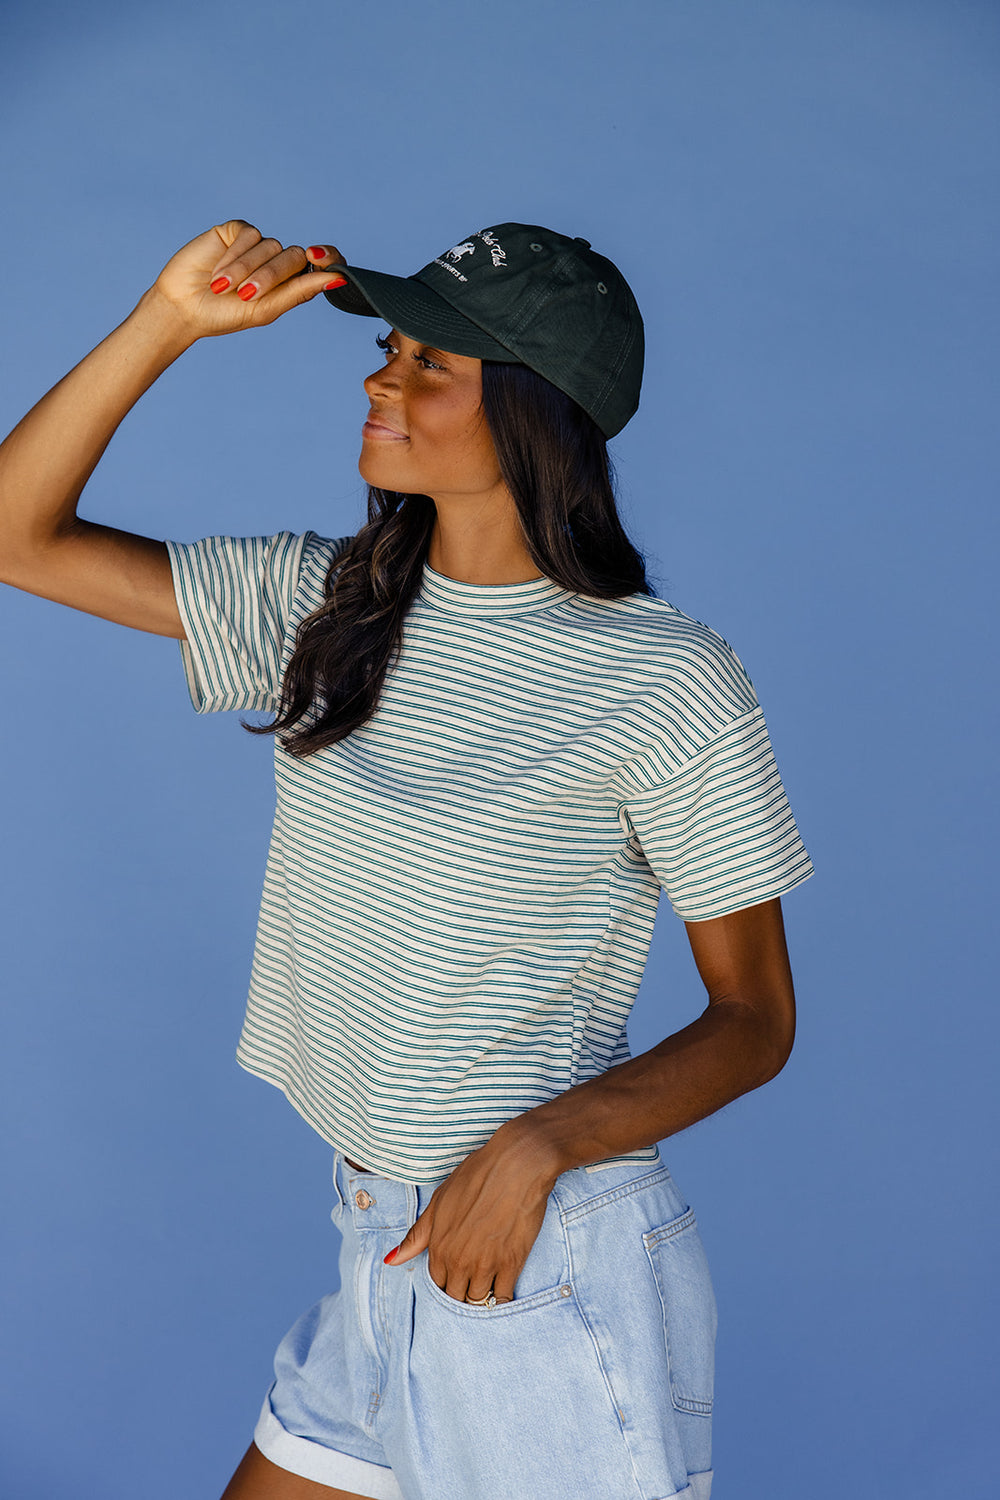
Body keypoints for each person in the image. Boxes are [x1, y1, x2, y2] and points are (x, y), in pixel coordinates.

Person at [0, 218, 813, 1500]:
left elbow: (754, 1018)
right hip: (380, 1243)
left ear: (538, 415)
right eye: (390, 347)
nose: (382, 378)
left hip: (532, 1258)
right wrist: (167, 321)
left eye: (433, 362)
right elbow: (15, 535)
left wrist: (539, 1147)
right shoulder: (327, 607)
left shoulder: (665, 682)